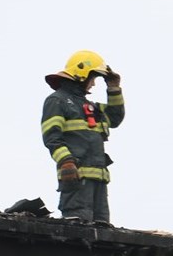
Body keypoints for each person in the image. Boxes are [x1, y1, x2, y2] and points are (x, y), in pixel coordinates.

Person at [41, 50, 124, 224]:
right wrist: (66, 162)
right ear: (82, 74)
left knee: (102, 233)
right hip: (76, 179)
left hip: (99, 182)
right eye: (93, 78)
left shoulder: (90, 107)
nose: (93, 84)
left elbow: (115, 118)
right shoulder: (57, 100)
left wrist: (113, 88)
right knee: (78, 228)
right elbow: (52, 137)